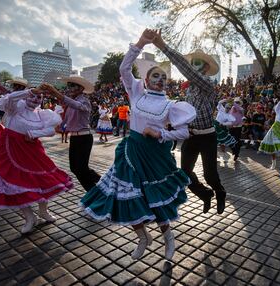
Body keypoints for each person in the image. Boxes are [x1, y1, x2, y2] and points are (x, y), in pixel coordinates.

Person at [80, 29, 196, 261]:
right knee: (127, 196)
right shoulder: (136, 93)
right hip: (131, 152)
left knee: (155, 199)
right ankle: (143, 237)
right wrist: (141, 43)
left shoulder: (171, 105)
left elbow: (184, 132)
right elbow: (124, 69)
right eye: (155, 75)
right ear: (146, 79)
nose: (160, 79)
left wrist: (159, 132)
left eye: (163, 77)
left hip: (155, 156)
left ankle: (168, 239)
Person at [152, 29, 227, 214]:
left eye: (197, 64)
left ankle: (220, 192)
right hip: (191, 135)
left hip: (208, 136)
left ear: (206, 69)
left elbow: (185, 69)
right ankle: (205, 194)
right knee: (184, 173)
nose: (193, 66)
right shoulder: (189, 89)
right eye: (192, 63)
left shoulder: (208, 85)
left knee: (210, 175)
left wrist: (163, 46)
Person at [0, 86, 74, 233]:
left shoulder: (42, 114)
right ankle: (29, 217)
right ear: (26, 96)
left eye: (39, 97)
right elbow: (10, 97)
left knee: (41, 180)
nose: (35, 99)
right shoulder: (15, 107)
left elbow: (51, 131)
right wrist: (30, 91)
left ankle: (43, 211)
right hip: (9, 148)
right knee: (13, 183)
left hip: (32, 150)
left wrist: (33, 133)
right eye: (32, 96)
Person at [41, 76, 101, 191]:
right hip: (74, 138)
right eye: (69, 86)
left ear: (81, 88)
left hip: (84, 138)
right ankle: (99, 187)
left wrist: (55, 92)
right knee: (74, 168)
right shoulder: (70, 104)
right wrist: (60, 125)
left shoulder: (84, 101)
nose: (70, 88)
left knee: (82, 168)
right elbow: (66, 120)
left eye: (73, 85)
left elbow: (77, 106)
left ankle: (96, 190)